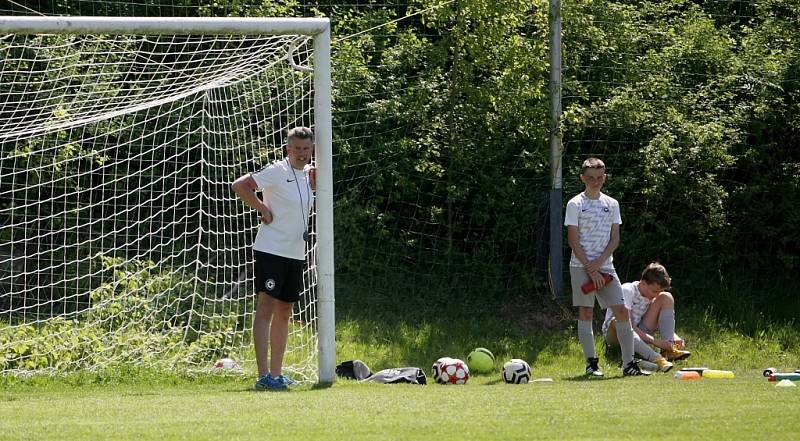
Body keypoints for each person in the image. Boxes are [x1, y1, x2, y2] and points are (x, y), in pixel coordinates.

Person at [232, 126, 316, 390]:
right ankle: (263, 375)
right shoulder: (277, 170)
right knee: (266, 307)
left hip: (295, 252)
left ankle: (277, 376)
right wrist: (263, 209)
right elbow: (241, 185)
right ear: (288, 149)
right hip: (271, 250)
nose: (301, 153)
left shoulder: (310, 175)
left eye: (306, 149)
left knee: (285, 311)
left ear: (311, 149)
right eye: (297, 149)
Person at [565, 157, 648, 377]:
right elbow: (573, 240)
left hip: (606, 268)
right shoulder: (575, 204)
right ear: (583, 178)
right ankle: (592, 365)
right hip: (580, 266)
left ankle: (629, 365)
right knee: (586, 311)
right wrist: (590, 269)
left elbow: (615, 239)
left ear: (605, 177)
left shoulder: (612, 204)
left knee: (622, 311)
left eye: (600, 177)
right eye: (591, 178)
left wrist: (599, 266)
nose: (596, 181)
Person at [602, 262, 691, 372]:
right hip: (615, 336)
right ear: (643, 284)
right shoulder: (627, 290)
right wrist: (655, 342)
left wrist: (673, 337)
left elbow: (659, 321)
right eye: (655, 291)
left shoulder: (651, 295)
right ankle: (656, 358)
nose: (656, 294)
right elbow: (627, 325)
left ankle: (669, 349)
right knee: (619, 322)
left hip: (638, 333)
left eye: (659, 291)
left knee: (666, 297)